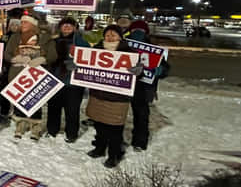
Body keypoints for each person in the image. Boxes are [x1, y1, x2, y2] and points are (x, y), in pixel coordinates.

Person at [86, 25, 143, 168]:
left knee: (114, 128)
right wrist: (76, 67)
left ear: (120, 37)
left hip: (118, 98)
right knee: (99, 124)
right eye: (107, 35)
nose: (110, 37)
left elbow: (139, 74)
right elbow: (85, 67)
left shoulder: (129, 53)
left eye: (114, 34)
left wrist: (138, 71)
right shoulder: (96, 50)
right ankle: (99, 148)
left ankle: (114, 154)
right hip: (98, 95)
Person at [4, 14, 57, 139]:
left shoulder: (45, 38)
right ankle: (20, 124)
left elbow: (53, 55)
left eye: (25, 22)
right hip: (17, 73)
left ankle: (36, 126)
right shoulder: (15, 37)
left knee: (35, 100)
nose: (22, 24)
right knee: (19, 100)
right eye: (21, 22)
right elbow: (7, 54)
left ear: (33, 25)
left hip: (35, 74)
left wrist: (42, 59)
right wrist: (14, 59)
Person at [46, 16, 89, 142]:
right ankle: (52, 130)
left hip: (73, 83)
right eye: (64, 25)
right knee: (53, 107)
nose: (66, 27)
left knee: (72, 110)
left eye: (70, 25)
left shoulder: (81, 42)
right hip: (55, 79)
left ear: (75, 28)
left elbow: (90, 60)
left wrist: (78, 65)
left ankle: (71, 133)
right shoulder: (54, 41)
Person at [125, 19, 166, 152]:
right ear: (130, 31)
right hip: (124, 83)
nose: (138, 32)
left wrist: (160, 70)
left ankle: (140, 141)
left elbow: (165, 66)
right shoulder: (123, 44)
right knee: (118, 112)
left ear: (146, 32)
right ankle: (115, 139)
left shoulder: (154, 48)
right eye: (135, 30)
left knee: (141, 115)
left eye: (141, 30)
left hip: (143, 86)